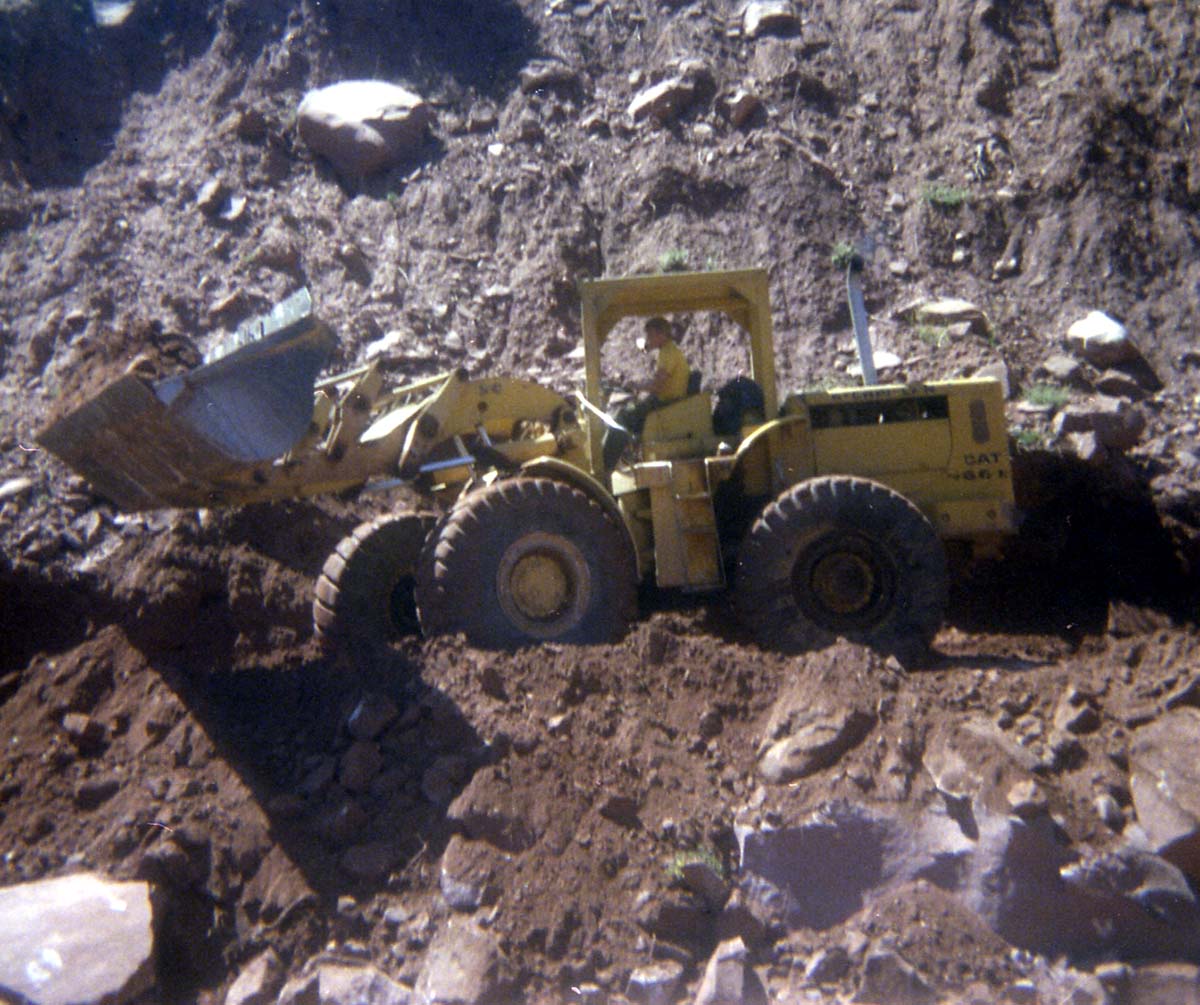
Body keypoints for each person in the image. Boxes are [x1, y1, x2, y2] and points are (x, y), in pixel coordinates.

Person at [603, 316, 692, 470]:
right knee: (629, 411)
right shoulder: (667, 351)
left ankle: (604, 467)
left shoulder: (669, 353)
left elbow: (657, 385)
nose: (648, 340)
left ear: (661, 334)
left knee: (621, 418)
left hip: (668, 404)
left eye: (650, 335)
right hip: (665, 401)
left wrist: (636, 386)